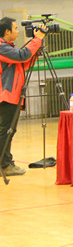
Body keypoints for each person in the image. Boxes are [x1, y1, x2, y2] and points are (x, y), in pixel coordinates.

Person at [0, 17, 44, 176]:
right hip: (6, 95)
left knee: (8, 131)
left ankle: (6, 163)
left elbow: (23, 63)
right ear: (7, 31)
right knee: (6, 131)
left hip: (11, 95)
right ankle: (4, 165)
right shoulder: (2, 48)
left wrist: (35, 51)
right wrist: (37, 39)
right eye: (15, 28)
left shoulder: (6, 47)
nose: (18, 31)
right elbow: (22, 55)